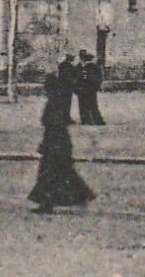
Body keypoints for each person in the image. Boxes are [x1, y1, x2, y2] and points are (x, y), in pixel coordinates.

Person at [28, 70, 94, 213]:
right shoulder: (57, 101)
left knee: (50, 174)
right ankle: (53, 201)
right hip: (58, 144)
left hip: (56, 145)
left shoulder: (54, 103)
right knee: (60, 173)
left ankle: (49, 202)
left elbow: (55, 127)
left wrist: (47, 145)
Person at [76, 50, 106, 126]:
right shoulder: (94, 67)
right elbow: (98, 79)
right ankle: (95, 120)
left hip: (85, 89)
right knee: (92, 105)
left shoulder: (85, 67)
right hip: (89, 90)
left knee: (85, 105)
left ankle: (87, 120)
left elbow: (78, 79)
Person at [56, 53, 80, 124]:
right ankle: (66, 118)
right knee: (67, 103)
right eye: (73, 58)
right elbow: (71, 77)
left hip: (61, 87)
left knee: (62, 103)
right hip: (67, 88)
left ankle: (62, 118)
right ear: (70, 58)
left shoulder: (61, 65)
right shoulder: (70, 66)